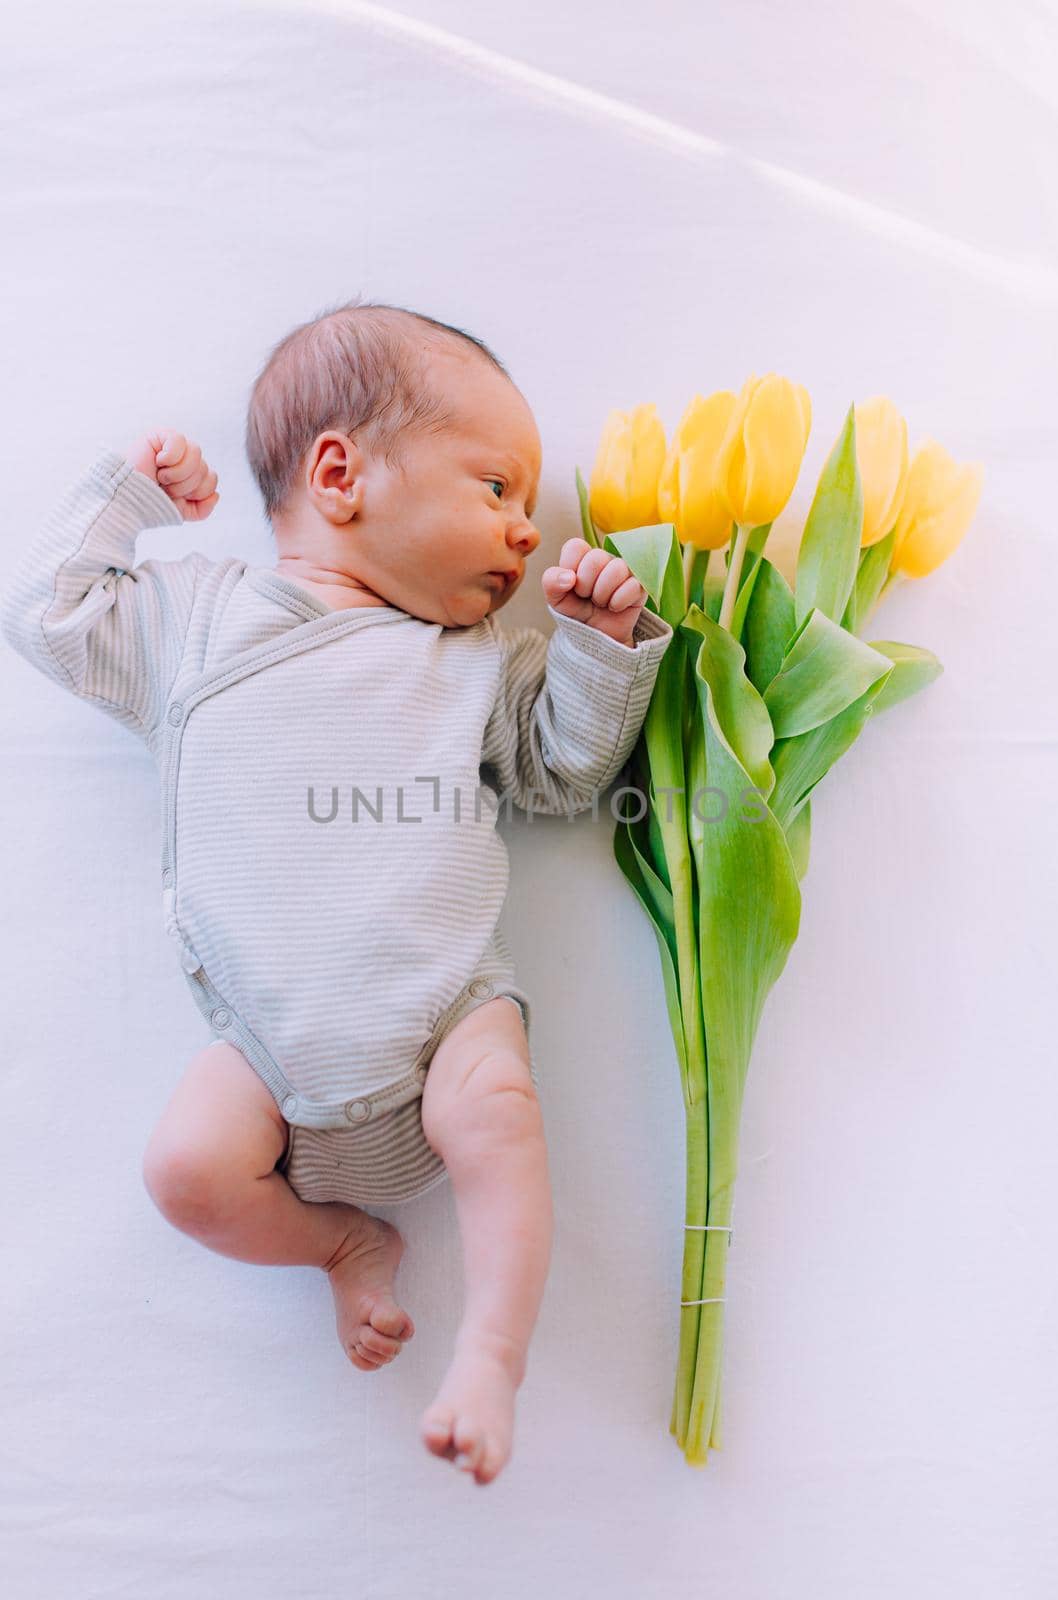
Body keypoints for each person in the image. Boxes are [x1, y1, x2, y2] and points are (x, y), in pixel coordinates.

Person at [0, 299, 673, 1487]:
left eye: (526, 508)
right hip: (266, 1055)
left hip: (442, 1021)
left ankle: (491, 1355)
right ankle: (338, 1243)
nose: (523, 534)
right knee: (184, 1172)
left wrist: (594, 647)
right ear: (339, 472)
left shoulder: (471, 662)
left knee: (501, 1117)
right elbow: (51, 610)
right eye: (496, 488)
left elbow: (565, 774)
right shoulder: (197, 624)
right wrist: (135, 499)